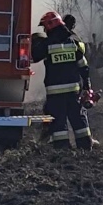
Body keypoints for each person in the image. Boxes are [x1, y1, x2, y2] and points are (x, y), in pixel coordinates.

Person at [31, 11, 93, 150]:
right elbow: (83, 66)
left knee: (58, 123)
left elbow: (33, 57)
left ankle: (63, 149)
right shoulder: (73, 42)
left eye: (44, 27)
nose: (44, 30)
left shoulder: (47, 45)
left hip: (55, 93)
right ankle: (85, 147)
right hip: (74, 92)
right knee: (78, 120)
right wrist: (87, 86)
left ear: (49, 26)